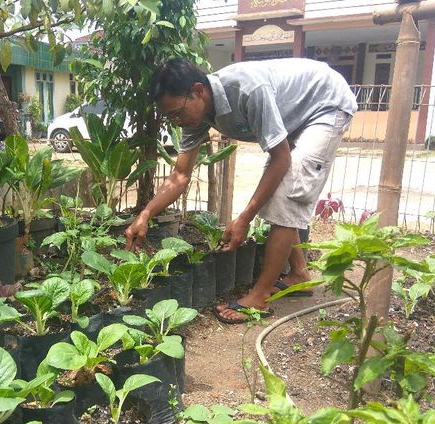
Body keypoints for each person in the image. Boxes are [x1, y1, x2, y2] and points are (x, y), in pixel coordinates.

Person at [125, 58, 358, 324]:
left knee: (287, 194)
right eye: (170, 117)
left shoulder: (247, 90)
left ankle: (259, 297)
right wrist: (145, 214)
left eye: (177, 113)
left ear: (198, 90)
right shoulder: (196, 116)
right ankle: (299, 275)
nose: (177, 122)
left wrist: (244, 218)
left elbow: (281, 159)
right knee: (280, 191)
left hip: (324, 105)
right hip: (293, 114)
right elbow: (179, 176)